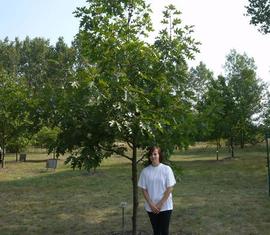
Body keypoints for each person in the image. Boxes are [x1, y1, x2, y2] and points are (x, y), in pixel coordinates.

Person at [138, 146, 176, 235]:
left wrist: (160, 204)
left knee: (164, 231)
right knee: (156, 231)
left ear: (159, 155)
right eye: (151, 154)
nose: (153, 156)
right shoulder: (145, 171)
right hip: (151, 207)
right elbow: (144, 189)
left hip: (165, 206)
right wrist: (151, 204)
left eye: (155, 154)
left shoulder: (166, 169)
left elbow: (170, 188)